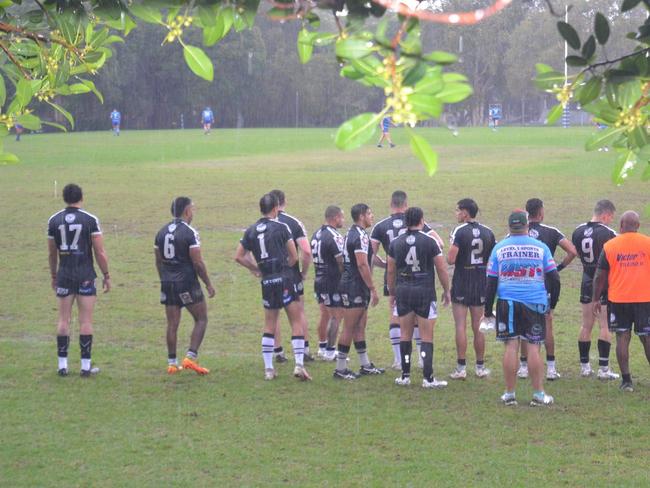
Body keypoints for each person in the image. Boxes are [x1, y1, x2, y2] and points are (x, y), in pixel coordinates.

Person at [484, 210, 559, 406]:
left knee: (511, 347)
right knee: (534, 348)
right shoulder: (541, 247)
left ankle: (510, 394)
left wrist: (487, 310)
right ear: (527, 226)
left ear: (509, 227)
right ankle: (539, 394)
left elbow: (491, 282)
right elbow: (554, 278)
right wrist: (552, 304)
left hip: (507, 302)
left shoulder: (499, 248)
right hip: (534, 303)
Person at [234, 193, 311, 381]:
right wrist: (288, 268)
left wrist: (256, 269)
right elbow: (294, 256)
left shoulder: (251, 230)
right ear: (276, 208)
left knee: (269, 323)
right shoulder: (281, 227)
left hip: (267, 280)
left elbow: (238, 256)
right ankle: (299, 365)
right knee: (296, 321)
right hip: (284, 278)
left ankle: (269, 369)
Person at [370, 190, 445, 370]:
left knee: (396, 317)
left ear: (391, 203)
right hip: (419, 278)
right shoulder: (417, 222)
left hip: (395, 277)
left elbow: (369, 254)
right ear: (406, 204)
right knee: (420, 319)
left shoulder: (380, 226)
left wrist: (385, 264)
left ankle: (398, 361)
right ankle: (421, 358)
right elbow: (440, 244)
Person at [47, 183, 110, 377]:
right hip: (85, 274)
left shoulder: (54, 220)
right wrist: (106, 274)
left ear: (64, 198)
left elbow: (52, 253)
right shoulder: (90, 220)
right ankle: (85, 367)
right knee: (85, 320)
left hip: (65, 274)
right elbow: (99, 251)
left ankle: (62, 366)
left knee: (63, 320)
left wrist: (54, 275)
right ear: (81, 197)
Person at [387, 207, 451, 389]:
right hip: (424, 290)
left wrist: (392, 292)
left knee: (405, 334)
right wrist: (447, 290)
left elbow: (390, 270)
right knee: (426, 336)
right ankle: (428, 378)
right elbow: (441, 268)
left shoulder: (396, 242)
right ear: (422, 220)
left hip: (403, 290)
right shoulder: (430, 241)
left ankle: (405, 375)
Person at [517, 198, 577, 381]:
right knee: (547, 322)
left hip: (524, 281)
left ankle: (523, 367)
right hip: (545, 282)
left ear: (527, 213)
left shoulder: (519, 232)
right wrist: (558, 268)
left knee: (524, 323)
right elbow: (573, 252)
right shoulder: (552, 232)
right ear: (541, 213)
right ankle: (550, 368)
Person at [154, 197, 215, 375]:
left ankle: (172, 364)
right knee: (201, 318)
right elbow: (198, 263)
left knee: (172, 323)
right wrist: (208, 284)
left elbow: (158, 261)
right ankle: (190, 357)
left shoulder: (161, 232)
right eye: (193, 209)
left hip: (168, 283)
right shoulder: (190, 232)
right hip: (186, 283)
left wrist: (164, 280)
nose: (193, 213)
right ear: (187, 211)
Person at [592, 211, 650, 392]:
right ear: (638, 226)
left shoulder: (610, 245)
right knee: (647, 338)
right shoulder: (648, 243)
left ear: (621, 225)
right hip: (644, 299)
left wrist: (595, 298)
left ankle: (626, 381)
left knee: (622, 338)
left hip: (618, 299)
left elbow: (600, 275)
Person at [447, 198, 495, 380]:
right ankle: (480, 367)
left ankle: (461, 369)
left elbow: (451, 259)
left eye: (458, 210)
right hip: (481, 280)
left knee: (460, 325)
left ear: (465, 212)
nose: (456, 213)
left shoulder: (459, 231)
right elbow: (493, 255)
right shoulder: (488, 232)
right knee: (478, 326)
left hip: (462, 280)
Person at [333, 203, 383, 380]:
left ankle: (365, 364)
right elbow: (362, 264)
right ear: (361, 216)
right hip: (354, 285)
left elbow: (366, 257)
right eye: (369, 213)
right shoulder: (359, 235)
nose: (372, 216)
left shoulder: (354, 233)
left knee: (360, 326)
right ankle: (340, 368)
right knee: (349, 327)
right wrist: (373, 289)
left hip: (353, 284)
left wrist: (383, 264)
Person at [571, 199, 619, 379]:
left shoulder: (578, 231)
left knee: (586, 324)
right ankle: (604, 370)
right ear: (606, 214)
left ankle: (584, 367)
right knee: (605, 325)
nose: (610, 220)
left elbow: (577, 252)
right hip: (604, 283)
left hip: (586, 279)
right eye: (611, 217)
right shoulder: (609, 233)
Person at [269, 189, 313, 363]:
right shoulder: (294, 223)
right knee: (298, 313)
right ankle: (304, 351)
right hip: (291, 274)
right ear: (284, 202)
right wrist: (303, 272)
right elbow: (307, 252)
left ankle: (278, 352)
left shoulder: (264, 224)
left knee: (273, 314)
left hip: (270, 274)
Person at [311, 206, 345, 361]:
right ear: (335, 217)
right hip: (332, 281)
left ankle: (322, 347)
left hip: (318, 279)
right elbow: (341, 261)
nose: (343, 221)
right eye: (342, 217)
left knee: (325, 314)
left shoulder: (316, 234)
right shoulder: (334, 236)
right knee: (336, 316)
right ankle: (330, 352)